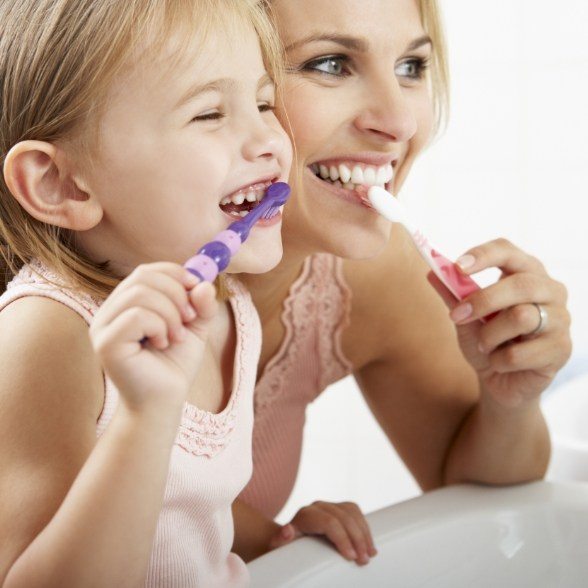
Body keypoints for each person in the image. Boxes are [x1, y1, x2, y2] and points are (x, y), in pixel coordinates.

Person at [232, 0, 572, 568]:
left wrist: (509, 397)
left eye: (412, 68)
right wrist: (265, 541)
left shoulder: (368, 274)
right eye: (331, 64)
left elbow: (475, 489)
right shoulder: (75, 300)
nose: (400, 122)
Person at [0, 1, 291, 586]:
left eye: (263, 102)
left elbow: (181, 502)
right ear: (62, 183)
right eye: (209, 114)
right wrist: (144, 415)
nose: (269, 139)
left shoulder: (228, 305)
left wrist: (281, 539)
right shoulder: (49, 336)